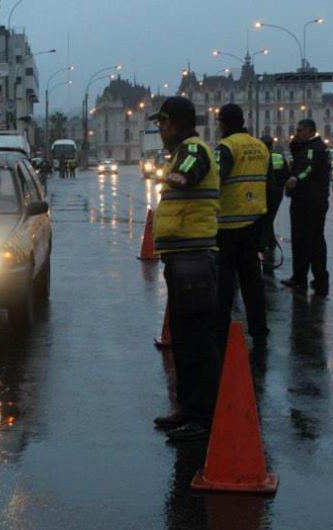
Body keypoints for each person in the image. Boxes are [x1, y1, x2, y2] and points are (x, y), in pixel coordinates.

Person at [148, 96, 221, 443]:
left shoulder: (193, 149)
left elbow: (186, 176)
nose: (160, 129)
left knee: (196, 340)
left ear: (175, 122)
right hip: (180, 256)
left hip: (194, 255)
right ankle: (187, 409)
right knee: (183, 338)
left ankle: (202, 416)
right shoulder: (181, 150)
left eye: (163, 122)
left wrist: (168, 175)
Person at [213, 104, 270, 348]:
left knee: (224, 282)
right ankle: (259, 331)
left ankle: (220, 331)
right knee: (252, 280)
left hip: (228, 223)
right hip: (255, 220)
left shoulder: (226, 147)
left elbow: (216, 177)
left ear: (223, 123)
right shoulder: (260, 146)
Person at [282, 119, 331, 297]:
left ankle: (307, 278)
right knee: (311, 240)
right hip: (313, 200)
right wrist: (295, 142)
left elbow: (306, 169)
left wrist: (295, 179)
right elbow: (298, 157)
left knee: (307, 240)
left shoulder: (312, 149)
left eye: (300, 130)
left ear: (310, 131)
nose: (297, 132)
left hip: (308, 201)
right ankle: (311, 277)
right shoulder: (312, 146)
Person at [259, 135, 289, 274]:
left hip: (264, 192)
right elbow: (286, 174)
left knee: (265, 218)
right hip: (277, 193)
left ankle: (267, 242)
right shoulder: (279, 156)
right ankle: (269, 241)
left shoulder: (260, 156)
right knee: (269, 217)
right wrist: (280, 186)